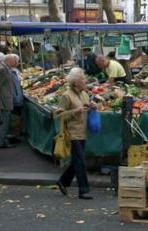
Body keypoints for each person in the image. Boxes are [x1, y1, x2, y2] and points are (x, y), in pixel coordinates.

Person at [56, 68, 94, 200]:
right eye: (82, 78)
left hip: (82, 131)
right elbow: (59, 115)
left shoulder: (84, 94)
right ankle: (83, 190)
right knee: (81, 161)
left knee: (76, 161)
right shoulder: (66, 95)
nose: (85, 81)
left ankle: (63, 181)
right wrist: (74, 112)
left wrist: (92, 106)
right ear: (76, 82)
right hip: (72, 133)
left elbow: (86, 108)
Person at [0, 54, 16, 148]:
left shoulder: (3, 68)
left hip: (4, 98)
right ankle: (1, 142)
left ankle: (2, 140)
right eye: (13, 61)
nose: (14, 63)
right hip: (4, 99)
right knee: (4, 120)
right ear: (9, 61)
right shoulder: (2, 69)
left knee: (4, 119)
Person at [8, 54, 24, 140]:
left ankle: (16, 133)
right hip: (16, 98)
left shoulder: (13, 71)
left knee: (16, 115)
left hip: (16, 97)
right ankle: (16, 135)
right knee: (16, 116)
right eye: (17, 61)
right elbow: (17, 85)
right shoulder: (12, 72)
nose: (18, 63)